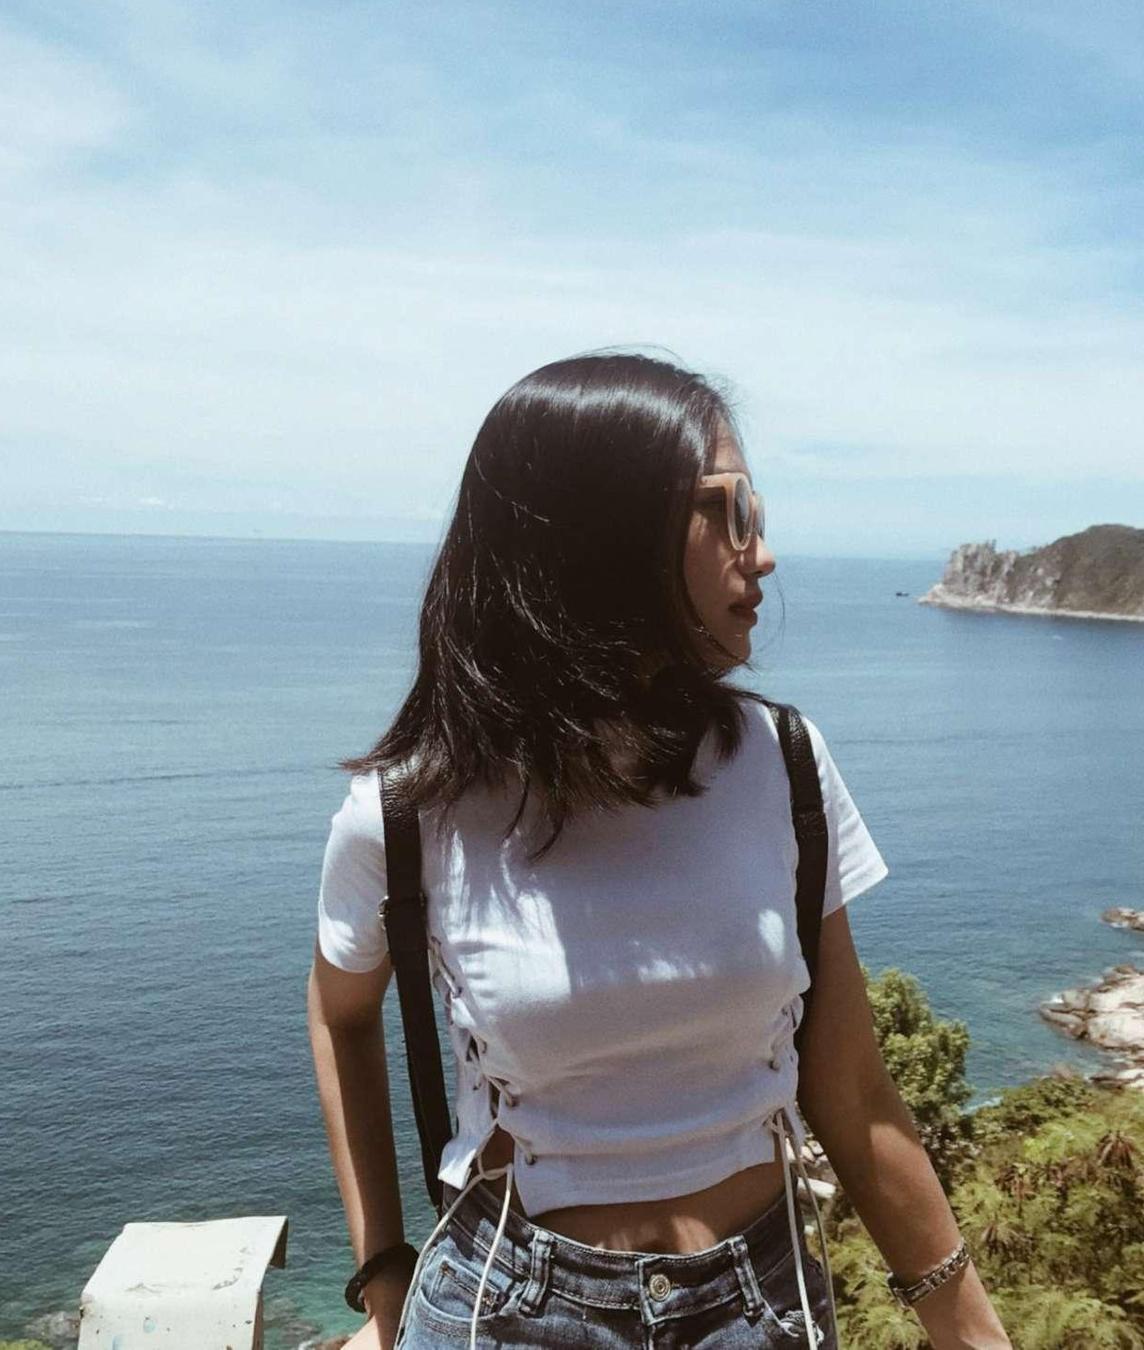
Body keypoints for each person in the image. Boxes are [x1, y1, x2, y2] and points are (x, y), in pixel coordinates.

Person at [307, 352, 1013, 1349]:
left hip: (759, 1304)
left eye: (754, 511)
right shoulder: (409, 811)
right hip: (505, 1309)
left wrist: (968, 1326)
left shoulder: (781, 764)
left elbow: (850, 1084)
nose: (761, 553)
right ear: (603, 530)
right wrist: (383, 1268)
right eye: (725, 511)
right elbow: (339, 1015)